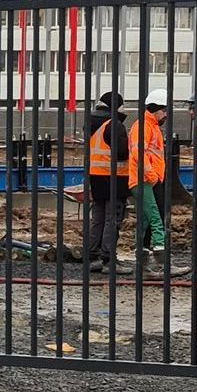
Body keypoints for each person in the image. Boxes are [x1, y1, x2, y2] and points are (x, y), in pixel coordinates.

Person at [84, 92, 128, 266]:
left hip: (95, 176)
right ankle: (109, 259)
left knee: (98, 217)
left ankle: (92, 256)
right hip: (114, 178)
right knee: (113, 218)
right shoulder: (114, 124)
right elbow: (122, 152)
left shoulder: (91, 123)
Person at [126, 90, 168, 264]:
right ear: (155, 109)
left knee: (146, 220)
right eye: (164, 110)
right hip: (144, 179)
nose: (166, 114)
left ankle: (142, 257)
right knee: (156, 217)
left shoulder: (151, 126)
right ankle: (161, 257)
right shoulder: (143, 126)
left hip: (149, 178)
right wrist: (152, 177)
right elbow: (139, 153)